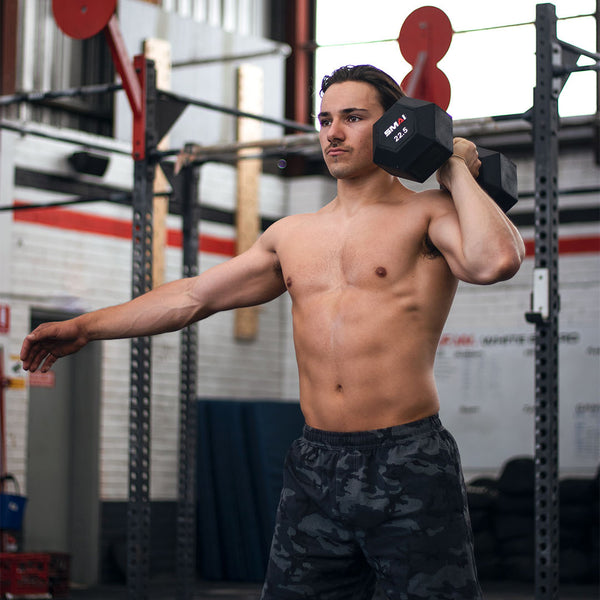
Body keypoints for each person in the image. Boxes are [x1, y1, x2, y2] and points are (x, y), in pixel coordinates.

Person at [21, 65, 525, 599]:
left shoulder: (428, 215)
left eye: (353, 118)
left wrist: (450, 165)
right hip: (315, 462)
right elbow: (194, 296)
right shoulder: (291, 235)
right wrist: (85, 326)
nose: (332, 132)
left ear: (395, 125)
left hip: (407, 458)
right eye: (325, 119)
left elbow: (495, 260)